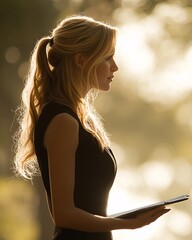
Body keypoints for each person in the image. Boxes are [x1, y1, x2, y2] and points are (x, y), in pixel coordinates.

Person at [13, 15, 169, 240]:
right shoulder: (62, 121)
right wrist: (128, 224)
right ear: (81, 60)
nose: (115, 67)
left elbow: (82, 209)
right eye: (108, 58)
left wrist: (123, 220)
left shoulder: (73, 118)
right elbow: (64, 216)